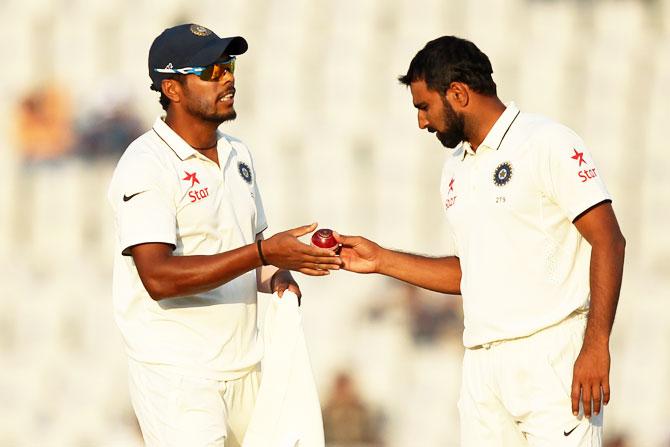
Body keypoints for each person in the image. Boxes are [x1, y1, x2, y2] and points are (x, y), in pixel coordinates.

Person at [335, 36, 625, 446]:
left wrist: (596, 345)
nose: (421, 122)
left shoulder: (546, 142)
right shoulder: (455, 168)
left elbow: (609, 240)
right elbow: (473, 273)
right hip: (482, 366)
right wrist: (381, 259)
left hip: (551, 357)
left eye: (424, 106)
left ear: (458, 94)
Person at [107, 23, 341, 447]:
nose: (228, 77)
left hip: (246, 366)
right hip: (178, 375)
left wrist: (280, 276)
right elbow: (159, 278)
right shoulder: (146, 163)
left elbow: (246, 259)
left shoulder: (238, 154)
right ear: (172, 88)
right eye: (211, 71)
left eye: (228, 65)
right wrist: (263, 253)